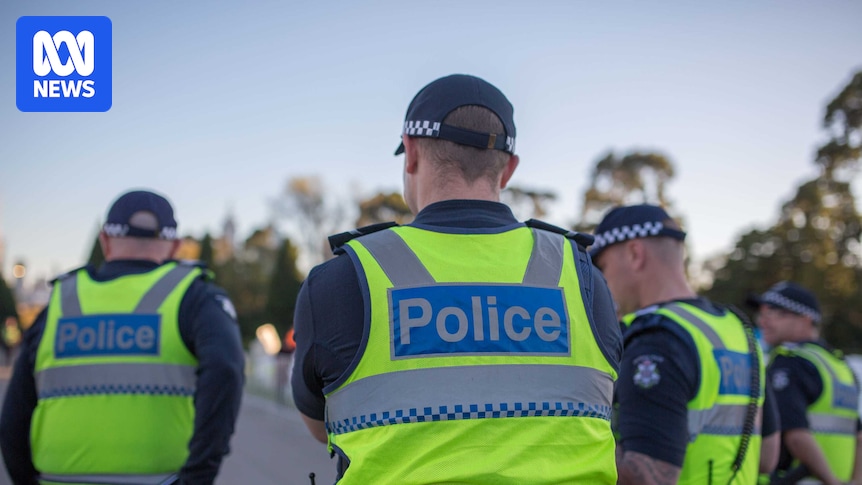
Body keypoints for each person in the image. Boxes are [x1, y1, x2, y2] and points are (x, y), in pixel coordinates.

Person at [290, 74, 623, 484]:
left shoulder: (340, 280)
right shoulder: (582, 276)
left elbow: (323, 422)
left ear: (410, 154)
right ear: (509, 169)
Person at [0, 190, 245, 485]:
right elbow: (226, 370)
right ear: (175, 246)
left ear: (104, 240)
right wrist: (198, 476)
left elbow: (14, 416)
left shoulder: (60, 303)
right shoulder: (195, 296)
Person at [590, 204, 779, 485]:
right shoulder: (738, 331)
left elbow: (650, 478)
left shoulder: (655, 338)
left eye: (602, 267)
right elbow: (767, 458)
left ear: (634, 253)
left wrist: (576, 442)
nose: (600, 282)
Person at [751, 281, 862, 484]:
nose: (763, 321)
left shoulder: (791, 363)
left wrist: (831, 481)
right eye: (762, 313)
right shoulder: (839, 365)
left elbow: (796, 436)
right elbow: (859, 436)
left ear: (805, 319)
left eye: (776, 313)